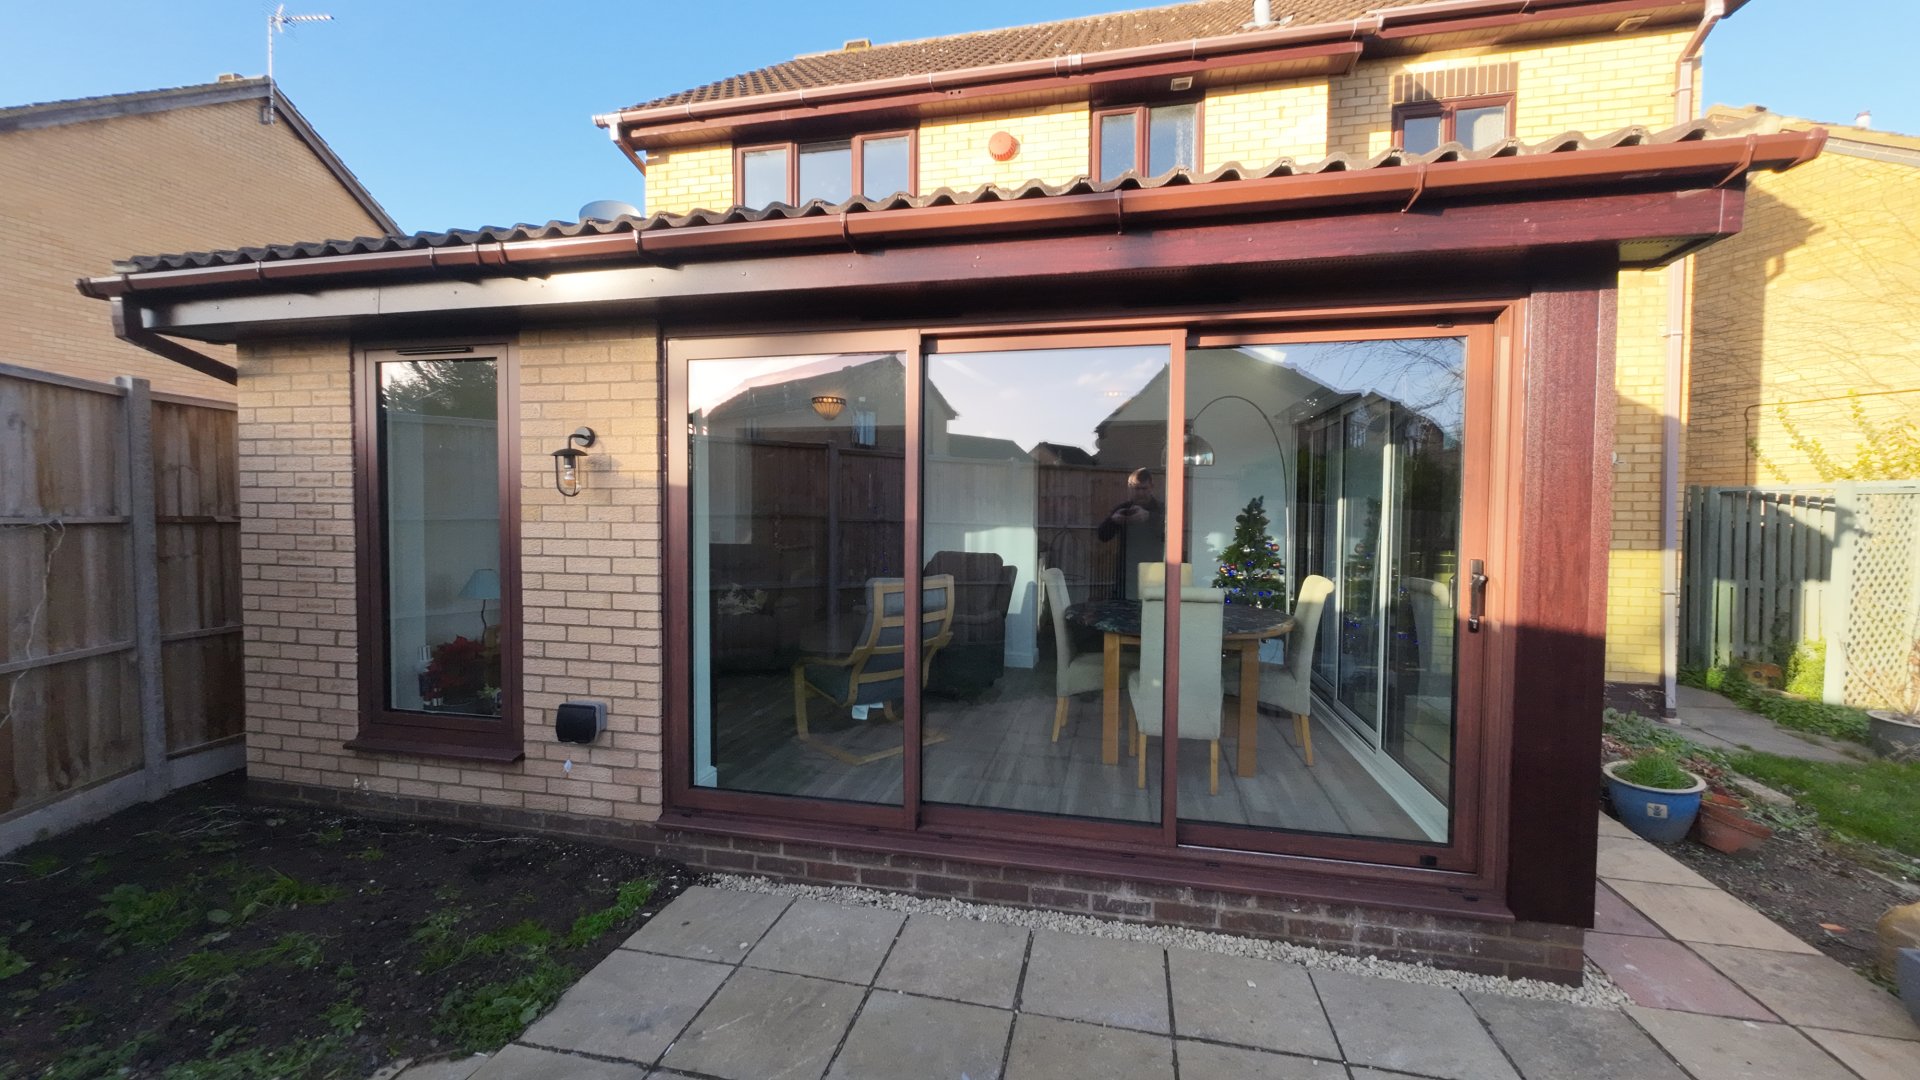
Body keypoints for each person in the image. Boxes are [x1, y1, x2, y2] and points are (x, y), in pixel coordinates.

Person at [1096, 468, 1164, 598]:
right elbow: (1102, 536)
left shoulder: (1161, 509)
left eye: (1144, 489)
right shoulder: (1123, 509)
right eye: (1136, 489)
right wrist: (1113, 521)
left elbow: (1171, 534)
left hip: (1155, 571)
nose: (1140, 493)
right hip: (1127, 573)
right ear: (1129, 488)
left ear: (1151, 487)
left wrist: (1149, 517)